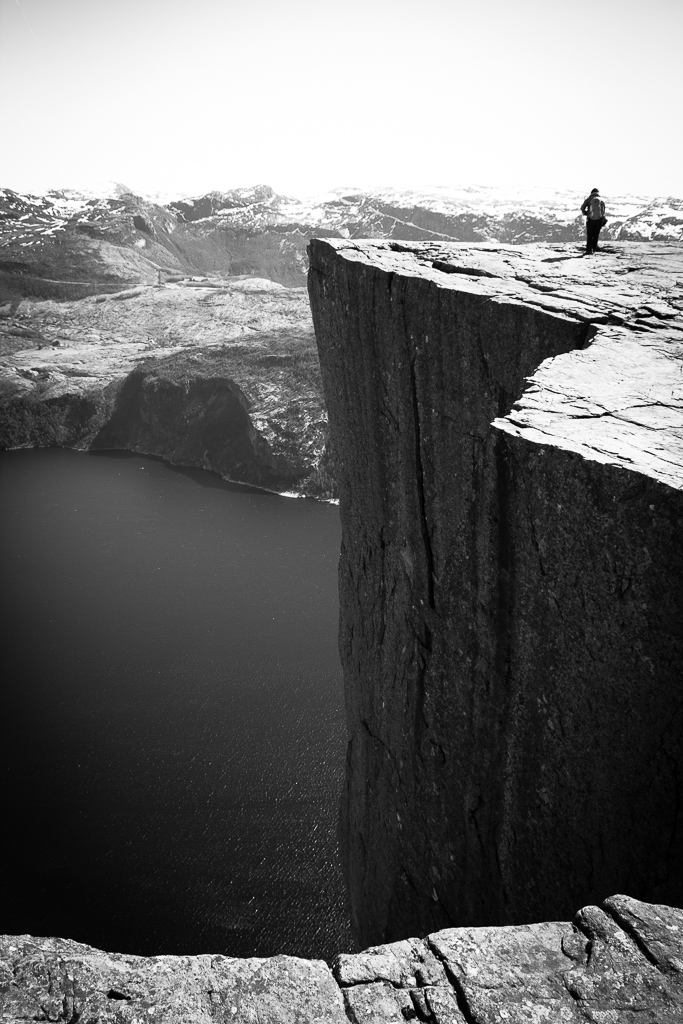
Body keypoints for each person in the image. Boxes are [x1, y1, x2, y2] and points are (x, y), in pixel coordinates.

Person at [581, 188, 606, 254]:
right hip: (599, 219)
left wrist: (586, 213)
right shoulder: (601, 200)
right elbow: (603, 211)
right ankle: (594, 249)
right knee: (596, 234)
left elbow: (582, 208)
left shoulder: (588, 199)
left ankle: (588, 250)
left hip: (590, 219)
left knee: (590, 234)